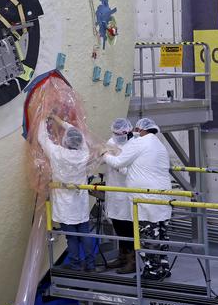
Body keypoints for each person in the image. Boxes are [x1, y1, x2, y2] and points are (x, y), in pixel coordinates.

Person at [102, 117, 172, 279]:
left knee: (148, 237)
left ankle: (151, 271)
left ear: (140, 130)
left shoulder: (140, 142)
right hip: (161, 197)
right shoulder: (157, 143)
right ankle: (163, 268)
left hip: (146, 198)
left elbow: (119, 162)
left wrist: (104, 154)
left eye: (135, 130)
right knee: (161, 234)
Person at [36, 116, 96, 271]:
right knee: (85, 233)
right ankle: (90, 265)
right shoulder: (84, 153)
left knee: (72, 237)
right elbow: (77, 134)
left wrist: (43, 118)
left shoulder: (57, 153)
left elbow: (42, 138)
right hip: (80, 201)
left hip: (64, 203)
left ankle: (75, 265)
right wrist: (61, 121)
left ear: (65, 141)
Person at [102, 118, 135, 272]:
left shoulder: (135, 145)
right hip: (114, 193)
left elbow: (128, 170)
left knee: (128, 228)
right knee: (118, 226)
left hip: (128, 194)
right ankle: (122, 257)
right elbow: (105, 160)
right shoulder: (111, 142)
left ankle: (132, 261)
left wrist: (113, 160)